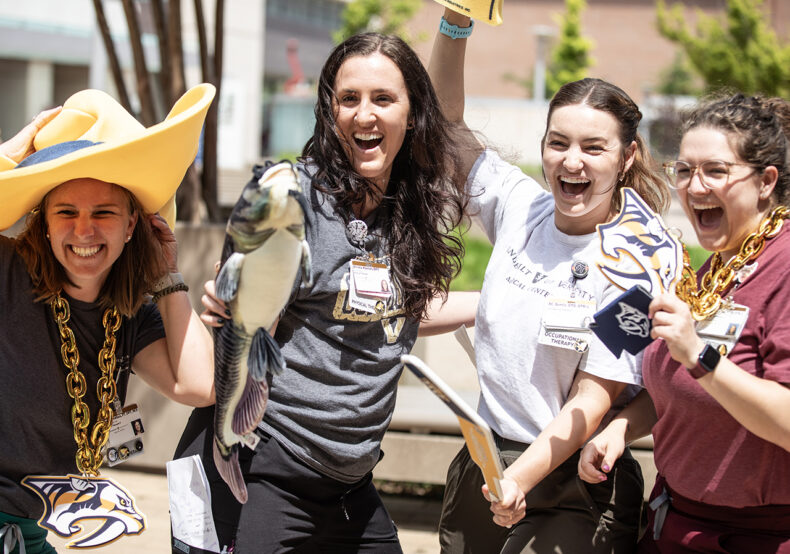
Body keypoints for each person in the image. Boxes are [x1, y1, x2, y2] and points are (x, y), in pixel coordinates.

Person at [172, 32, 467, 553]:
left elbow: (399, 306)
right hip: (257, 469)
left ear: (412, 113)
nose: (364, 114)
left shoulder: (406, 207)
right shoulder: (291, 200)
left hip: (349, 487)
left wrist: (498, 305)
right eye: (349, 98)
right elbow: (244, 330)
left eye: (383, 98)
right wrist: (234, 300)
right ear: (330, 112)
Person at [422, 7, 671, 553]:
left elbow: (593, 398)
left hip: (577, 479)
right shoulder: (522, 208)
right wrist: (456, 20)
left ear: (627, 157)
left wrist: (520, 479)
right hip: (488, 462)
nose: (571, 161)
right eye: (558, 143)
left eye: (593, 147)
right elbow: (443, 126)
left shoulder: (639, 262)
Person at [0, 84, 216, 553]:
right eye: (66, 212)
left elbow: (200, 386)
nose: (84, 230)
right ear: (44, 221)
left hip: (29, 532)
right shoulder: (8, 268)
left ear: (132, 224)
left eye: (103, 212)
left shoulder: (131, 312)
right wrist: (12, 155)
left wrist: (168, 277)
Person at [579, 94, 790, 551]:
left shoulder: (784, 267)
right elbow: (684, 392)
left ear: (766, 181)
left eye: (716, 171)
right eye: (684, 170)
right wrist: (621, 428)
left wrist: (699, 355)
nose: (695, 187)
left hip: (759, 536)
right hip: (673, 521)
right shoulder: (712, 269)